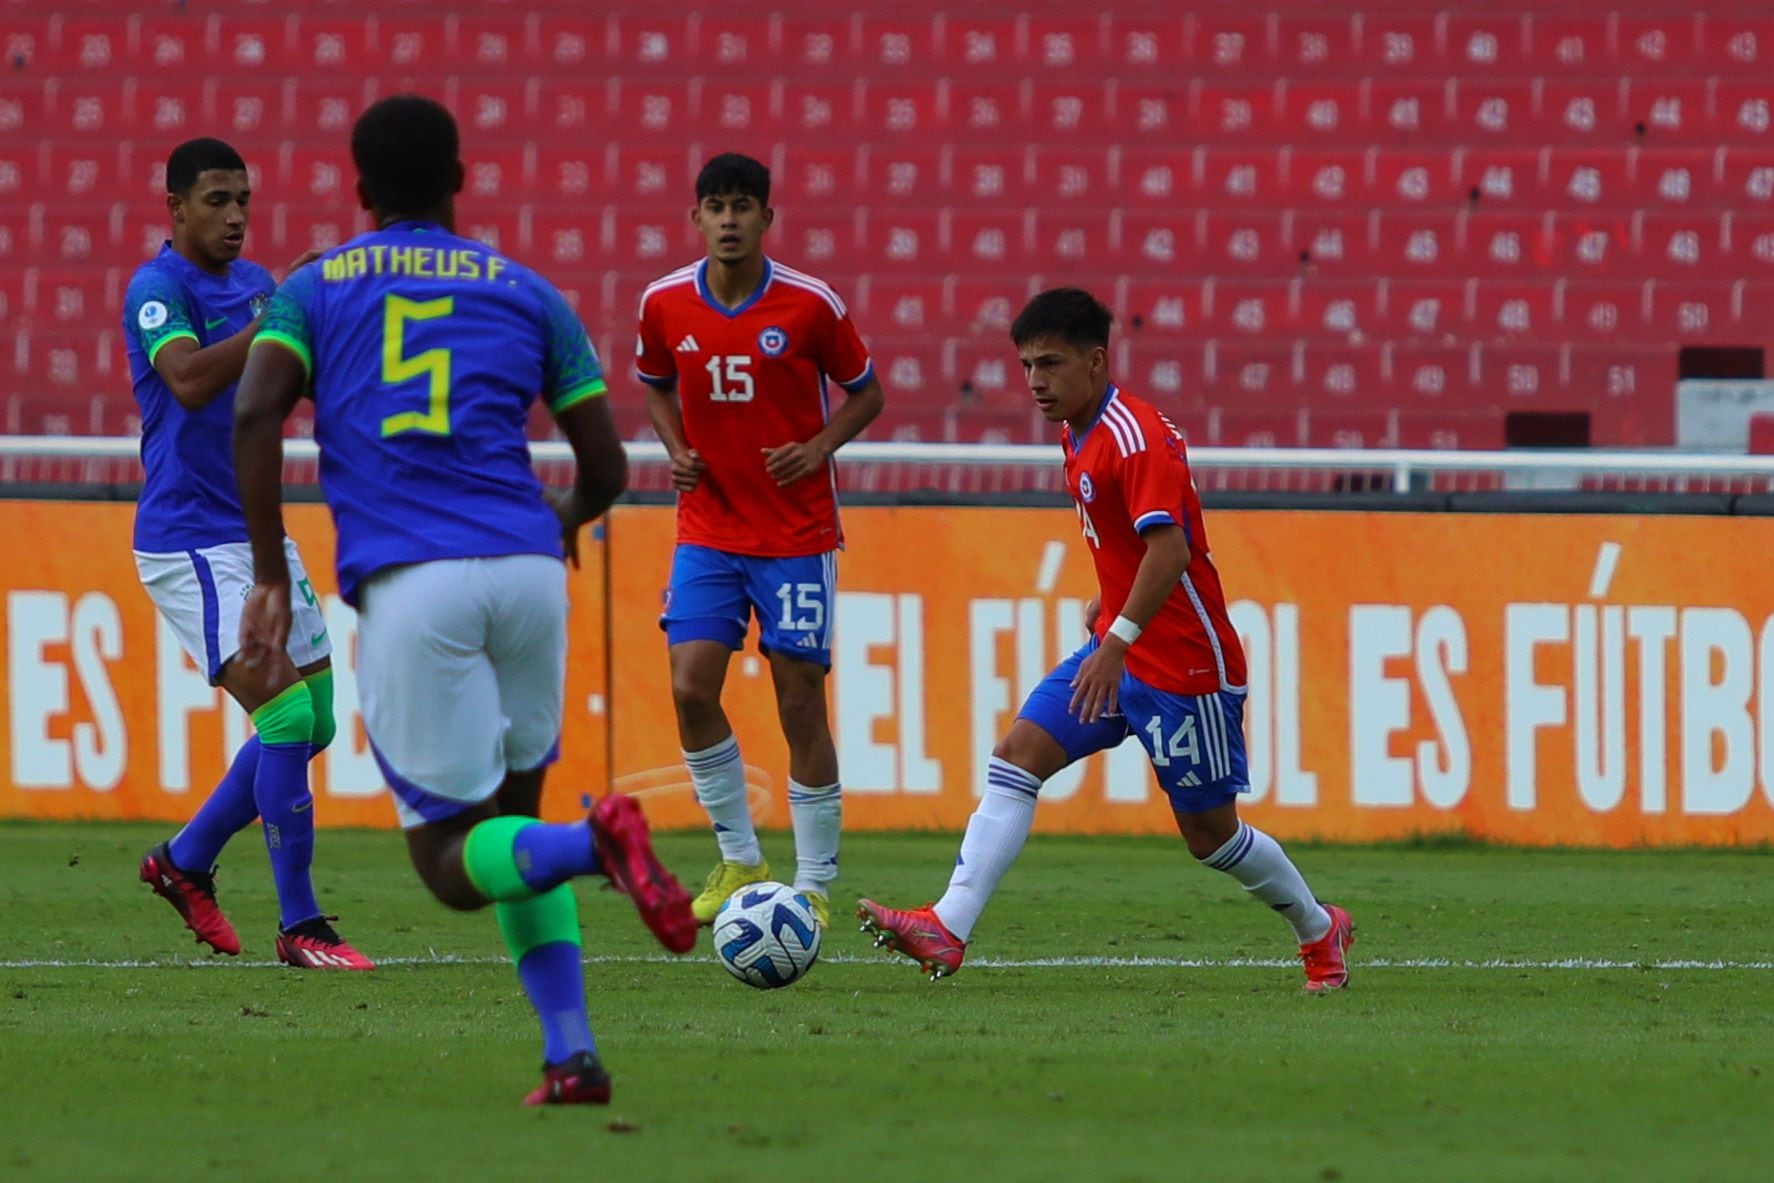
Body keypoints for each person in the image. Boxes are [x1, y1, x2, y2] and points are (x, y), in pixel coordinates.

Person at [233, 95, 696, 1105]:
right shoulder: (526, 291)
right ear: (461, 180)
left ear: (359, 190)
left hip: (415, 582)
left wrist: (270, 570)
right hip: (531, 569)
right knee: (508, 839)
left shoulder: (314, 289)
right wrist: (561, 521)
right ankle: (570, 1053)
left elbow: (257, 409)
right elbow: (610, 468)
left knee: (448, 862)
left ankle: (598, 843)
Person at [857, 288, 1355, 992]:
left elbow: (1171, 550)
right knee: (1017, 757)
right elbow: (1130, 543)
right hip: (1120, 645)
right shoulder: (1077, 430)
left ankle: (1317, 926)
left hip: (1184, 664)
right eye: (1027, 364)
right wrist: (1110, 607)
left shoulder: (1134, 435)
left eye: (1051, 364)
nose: (1035, 381)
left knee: (1210, 836)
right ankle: (948, 925)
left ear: (1096, 361)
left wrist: (1117, 637)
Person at [125, 136, 371, 970]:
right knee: (287, 717)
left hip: (257, 532)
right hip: (189, 539)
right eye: (217, 201)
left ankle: (185, 860)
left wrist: (316, 311)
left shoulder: (261, 286)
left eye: (243, 201)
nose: (234, 216)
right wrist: (273, 319)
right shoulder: (158, 289)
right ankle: (301, 925)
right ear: (176, 209)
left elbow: (283, 387)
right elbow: (189, 381)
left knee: (319, 721)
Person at [635, 152, 885, 930]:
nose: (730, 220)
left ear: (767, 219)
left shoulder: (810, 305)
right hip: (708, 526)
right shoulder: (665, 301)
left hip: (795, 533)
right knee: (688, 686)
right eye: (716, 207)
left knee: (799, 699)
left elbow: (867, 392)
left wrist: (817, 449)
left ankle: (813, 882)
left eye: (744, 206)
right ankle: (741, 853)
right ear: (696, 218)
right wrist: (676, 449)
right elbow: (652, 380)